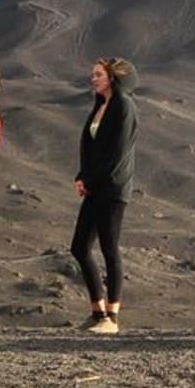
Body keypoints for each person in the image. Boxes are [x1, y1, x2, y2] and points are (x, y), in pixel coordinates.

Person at [72, 57, 139, 335]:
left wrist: (91, 178)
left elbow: (116, 152)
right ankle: (97, 310)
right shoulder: (99, 107)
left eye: (98, 74)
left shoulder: (124, 106)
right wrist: (81, 176)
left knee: (109, 248)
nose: (93, 78)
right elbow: (90, 147)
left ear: (112, 77)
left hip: (112, 188)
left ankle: (112, 315)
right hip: (94, 186)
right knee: (79, 247)